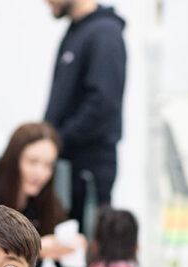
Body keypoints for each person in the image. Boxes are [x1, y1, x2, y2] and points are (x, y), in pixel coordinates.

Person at [0, 122, 84, 267]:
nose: (40, 173)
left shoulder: (48, 204)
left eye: (48, 165)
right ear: (14, 161)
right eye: (32, 162)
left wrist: (77, 250)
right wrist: (35, 249)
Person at [44, 0, 126, 227]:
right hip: (68, 163)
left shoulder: (104, 33)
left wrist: (57, 141)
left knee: (87, 252)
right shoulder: (77, 31)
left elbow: (103, 105)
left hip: (88, 166)